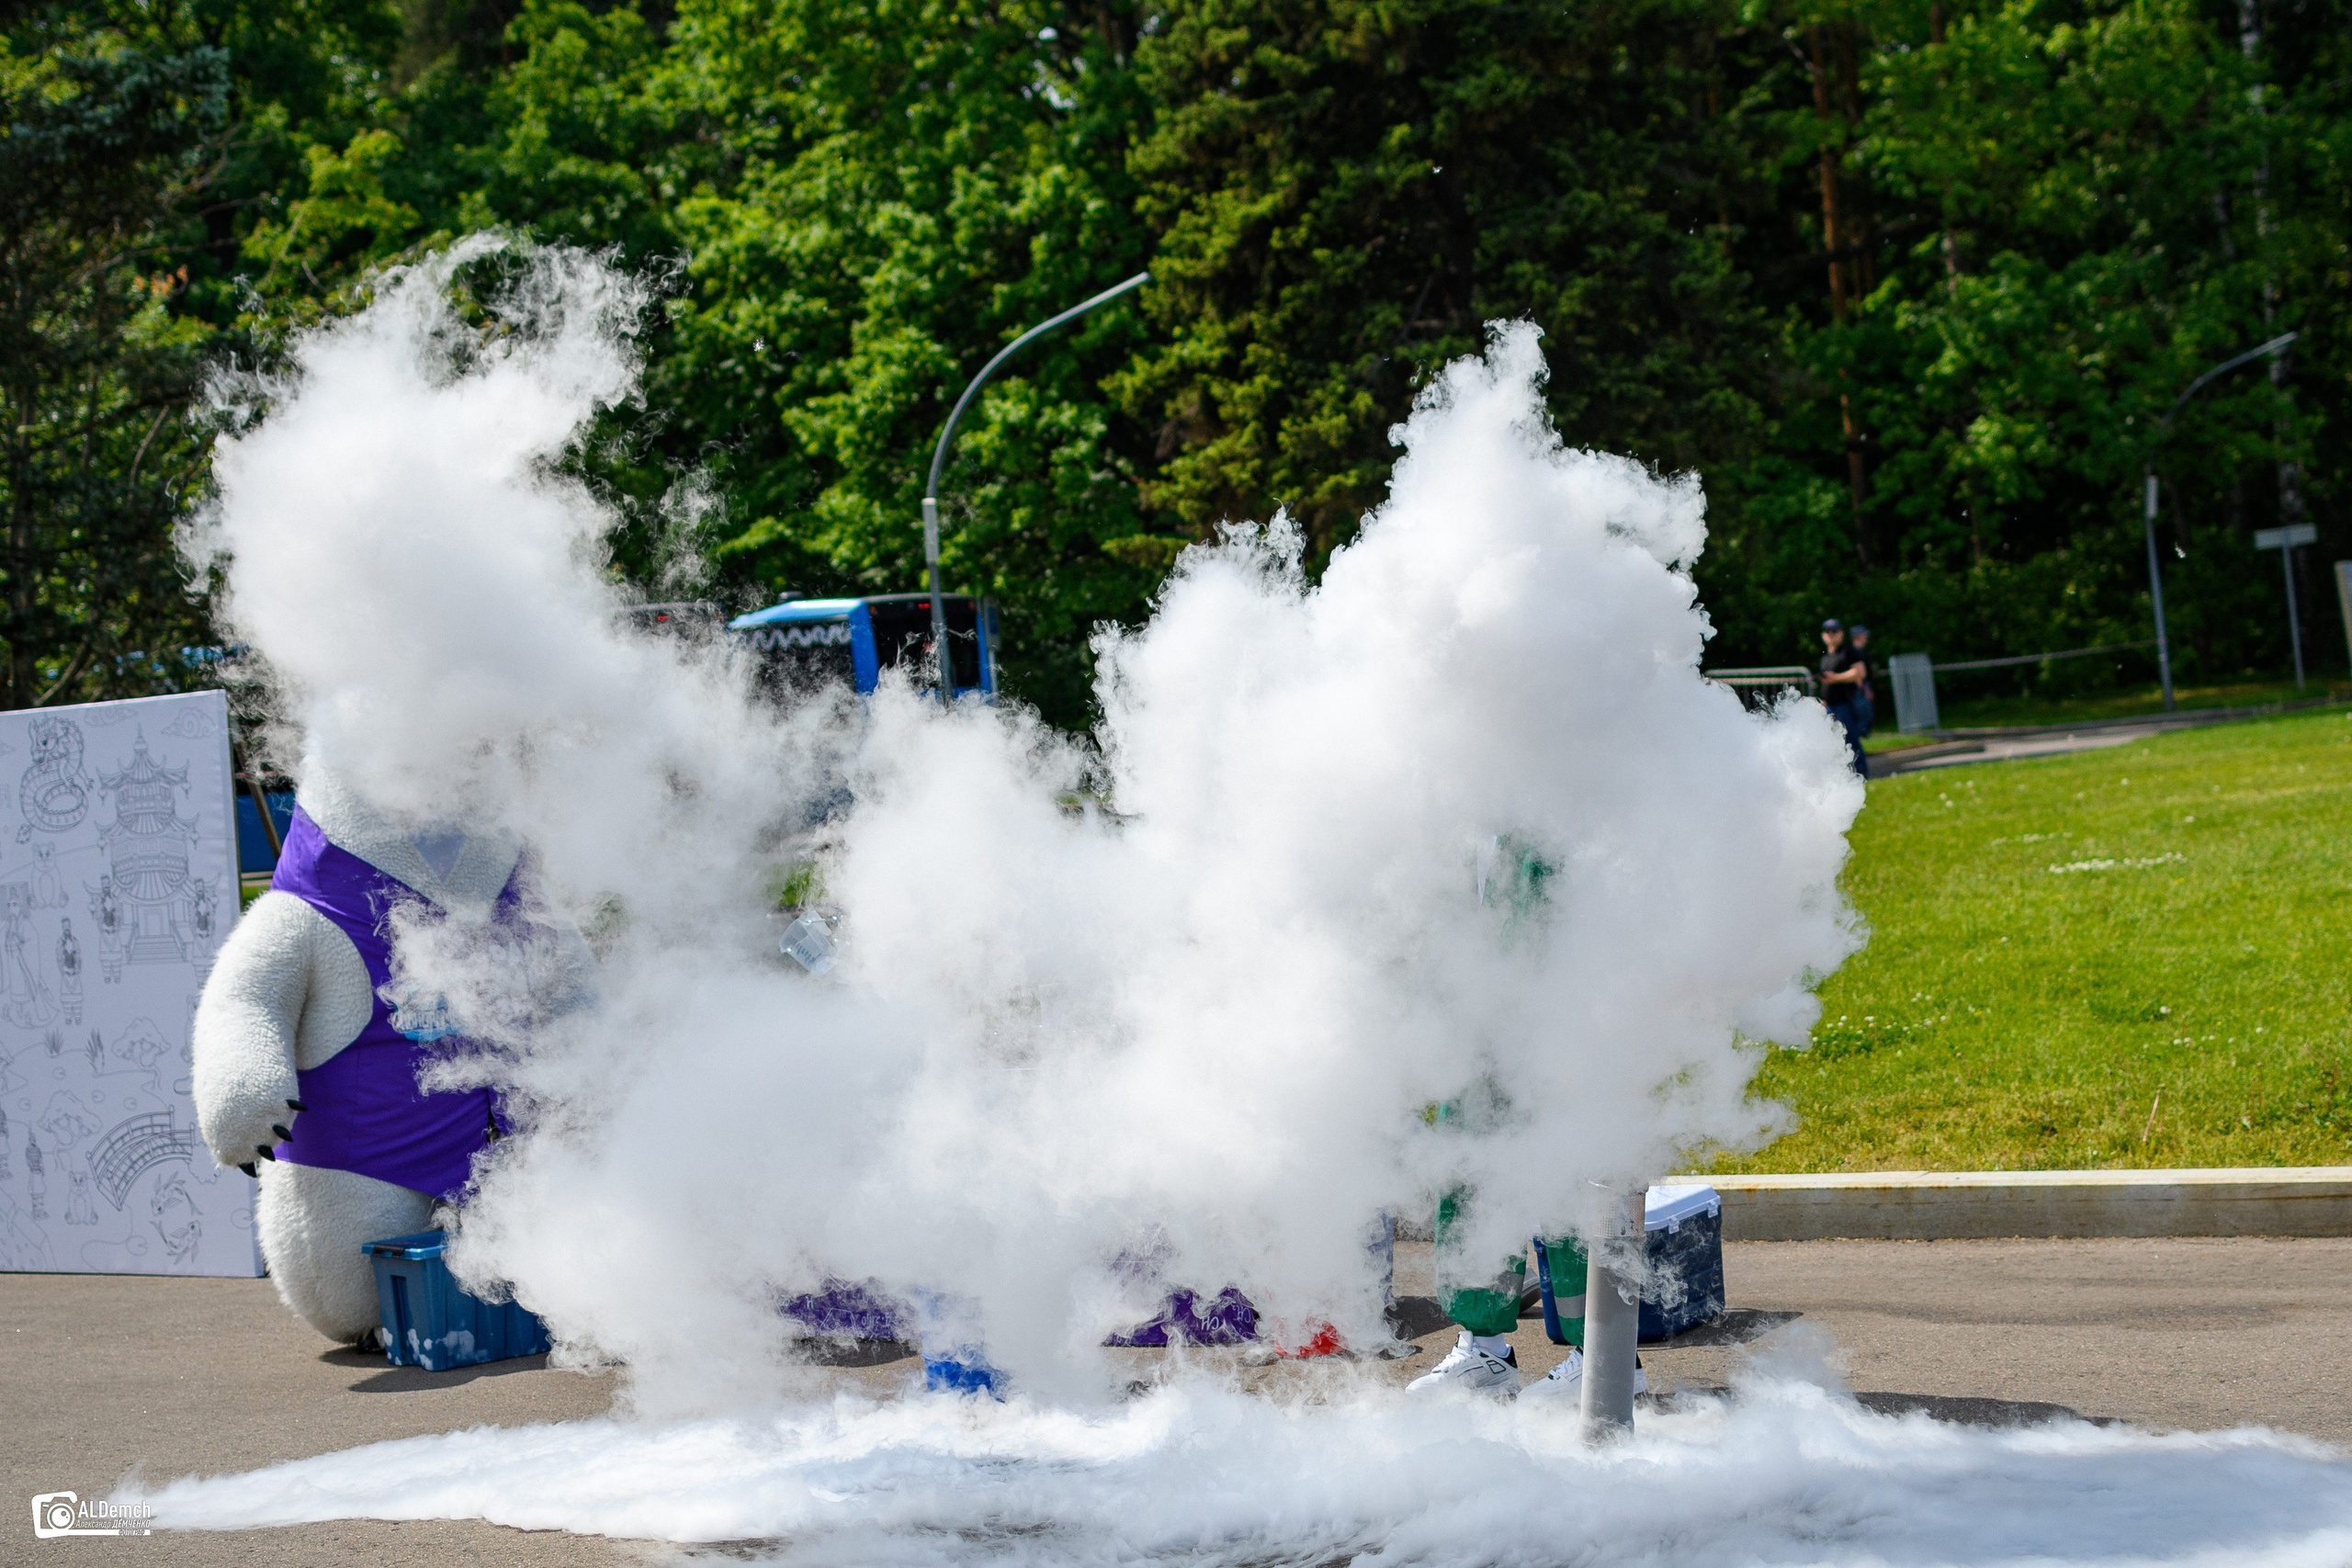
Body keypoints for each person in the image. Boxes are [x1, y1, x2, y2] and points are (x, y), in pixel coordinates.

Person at [1817, 619, 1869, 779]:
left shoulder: (1848, 652)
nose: (1830, 634)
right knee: (1834, 744)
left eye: (1834, 631)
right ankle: (1845, 776)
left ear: (1841, 633)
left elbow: (1860, 672)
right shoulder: (1826, 657)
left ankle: (1860, 774)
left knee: (1850, 741)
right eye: (1827, 631)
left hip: (1844, 705)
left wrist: (1836, 678)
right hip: (1829, 706)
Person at [1849, 626, 1876, 737]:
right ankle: (1862, 733)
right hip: (1860, 689)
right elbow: (1858, 672)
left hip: (1862, 688)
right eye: (1864, 636)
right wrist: (1864, 688)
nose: (1866, 639)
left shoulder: (1859, 652)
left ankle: (1863, 732)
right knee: (1864, 712)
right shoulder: (1854, 652)